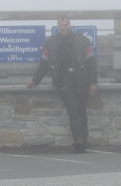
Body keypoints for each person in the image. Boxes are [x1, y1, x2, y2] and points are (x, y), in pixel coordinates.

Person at [27, 16, 97, 153]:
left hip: (82, 80)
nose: (63, 27)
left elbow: (91, 62)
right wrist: (35, 80)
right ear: (57, 27)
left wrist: (93, 83)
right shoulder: (51, 42)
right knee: (73, 110)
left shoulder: (82, 40)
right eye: (61, 25)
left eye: (65, 25)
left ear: (70, 25)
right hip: (63, 80)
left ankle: (82, 139)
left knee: (81, 110)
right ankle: (79, 140)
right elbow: (44, 63)